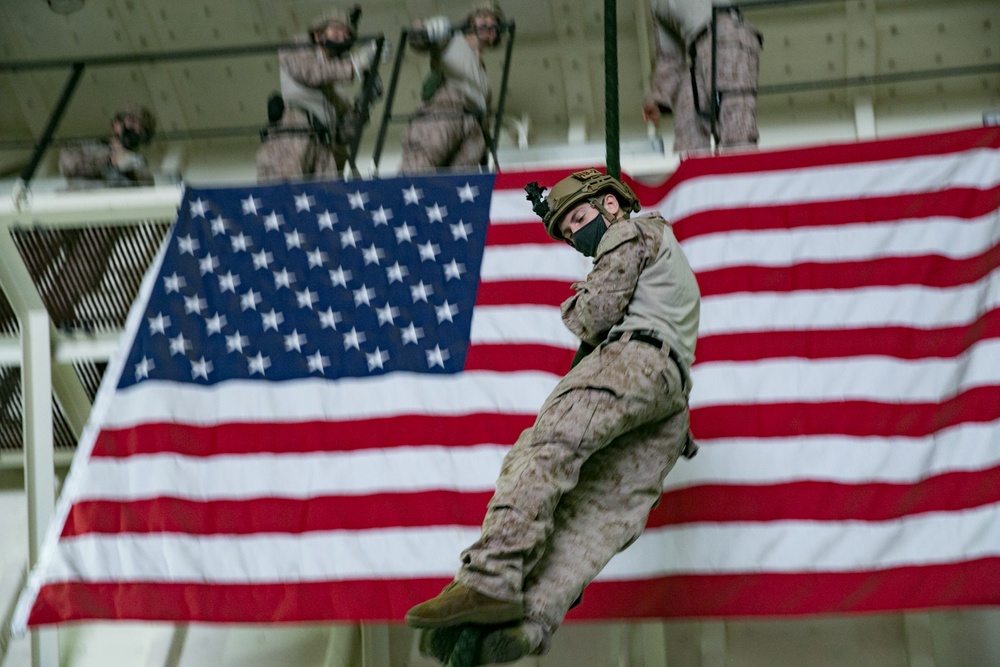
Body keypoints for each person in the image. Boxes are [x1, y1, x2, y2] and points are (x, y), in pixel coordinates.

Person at [405, 169, 701, 665]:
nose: (576, 235)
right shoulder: (664, 252)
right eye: (567, 232)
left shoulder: (632, 230)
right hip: (670, 399)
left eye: (580, 218)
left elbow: (595, 315)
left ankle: (488, 580)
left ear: (611, 203)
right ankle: (528, 621)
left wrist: (578, 299)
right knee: (596, 516)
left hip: (632, 362)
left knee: (542, 452)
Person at [256, 6, 379, 182]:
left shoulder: (336, 80)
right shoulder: (298, 48)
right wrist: (356, 63)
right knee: (285, 197)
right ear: (317, 34)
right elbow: (311, 73)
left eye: (346, 34)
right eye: (336, 30)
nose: (341, 36)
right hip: (294, 135)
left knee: (325, 205)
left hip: (325, 150)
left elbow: (344, 133)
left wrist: (365, 101)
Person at [642, 0, 762, 153]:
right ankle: (695, 172)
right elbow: (670, 56)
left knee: (735, 124)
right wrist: (656, 99)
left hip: (727, 35)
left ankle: (743, 171)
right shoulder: (657, 5)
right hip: (697, 51)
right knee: (687, 126)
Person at [399, 2, 504, 174]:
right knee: (420, 166)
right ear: (471, 22)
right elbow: (418, 39)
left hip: (473, 129)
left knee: (458, 185)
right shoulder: (452, 39)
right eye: (482, 17)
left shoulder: (484, 79)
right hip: (446, 111)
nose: (488, 23)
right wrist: (426, 27)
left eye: (493, 21)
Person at [59, 103, 157, 187]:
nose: (136, 129)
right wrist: (109, 160)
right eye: (132, 122)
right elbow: (67, 165)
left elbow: (146, 186)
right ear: (116, 124)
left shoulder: (138, 164)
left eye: (142, 128)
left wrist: (131, 171)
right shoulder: (87, 147)